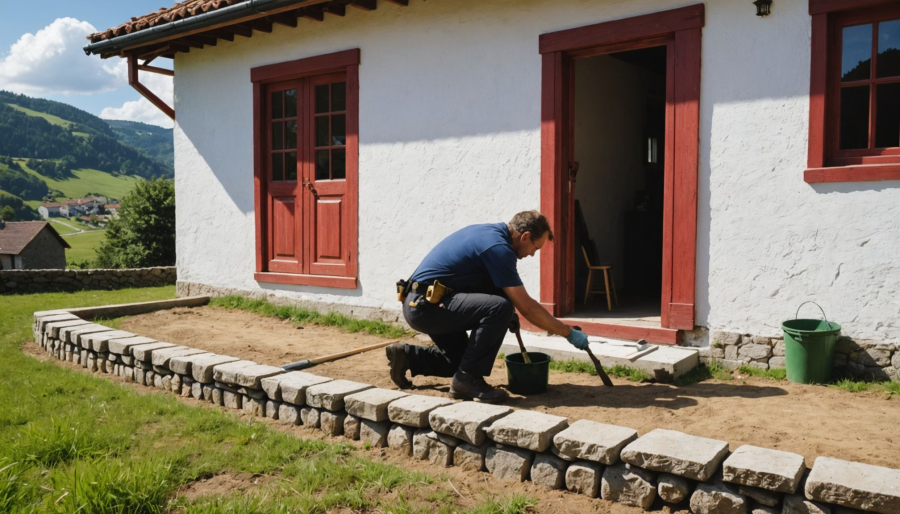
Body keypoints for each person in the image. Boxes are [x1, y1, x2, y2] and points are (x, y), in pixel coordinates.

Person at [385, 210, 590, 403]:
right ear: (525, 236)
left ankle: (407, 357)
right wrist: (568, 333)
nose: (532, 254)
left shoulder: (490, 233)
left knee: (461, 361)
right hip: (426, 307)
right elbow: (527, 307)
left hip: (422, 303)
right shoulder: (498, 248)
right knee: (499, 308)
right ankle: (468, 381)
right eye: (536, 248)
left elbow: (485, 284)